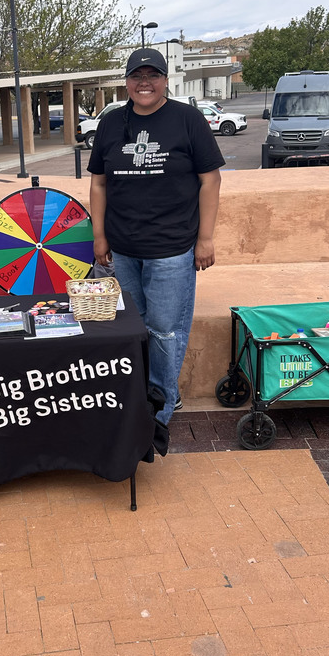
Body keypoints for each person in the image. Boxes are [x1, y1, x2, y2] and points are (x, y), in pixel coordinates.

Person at [88, 47, 225, 425]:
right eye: (136, 76)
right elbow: (99, 183)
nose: (144, 83)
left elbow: (210, 180)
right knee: (136, 327)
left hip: (172, 249)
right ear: (127, 82)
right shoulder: (112, 123)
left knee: (164, 331)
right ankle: (157, 392)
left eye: (152, 76)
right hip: (123, 249)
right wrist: (100, 236)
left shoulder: (187, 119)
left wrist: (205, 239)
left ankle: (158, 411)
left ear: (166, 80)